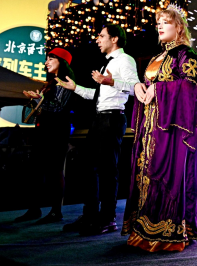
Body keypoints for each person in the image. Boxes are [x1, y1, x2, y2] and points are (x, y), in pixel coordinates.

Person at [120, 3, 197, 252]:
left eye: (166, 22)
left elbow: (189, 88)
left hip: (171, 128)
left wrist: (158, 89)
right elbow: (149, 85)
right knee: (145, 173)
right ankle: (143, 229)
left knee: (165, 174)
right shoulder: (157, 57)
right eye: (159, 23)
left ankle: (167, 231)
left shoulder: (186, 54)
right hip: (150, 126)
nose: (160, 26)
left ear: (179, 27)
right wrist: (139, 86)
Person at [56, 23, 140, 236]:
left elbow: (135, 88)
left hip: (113, 118)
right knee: (88, 166)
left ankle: (108, 218)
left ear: (114, 39)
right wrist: (76, 88)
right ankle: (90, 214)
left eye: (101, 36)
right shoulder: (107, 64)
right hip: (99, 118)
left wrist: (111, 81)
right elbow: (98, 95)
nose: (97, 39)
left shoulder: (125, 60)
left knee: (107, 169)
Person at [15, 47, 75, 224]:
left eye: (51, 58)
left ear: (62, 62)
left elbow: (58, 107)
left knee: (55, 170)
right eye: (47, 58)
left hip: (57, 131)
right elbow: (46, 107)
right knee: (36, 169)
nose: (46, 62)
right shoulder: (50, 83)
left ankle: (56, 211)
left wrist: (38, 101)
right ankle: (34, 209)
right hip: (44, 130)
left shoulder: (64, 81)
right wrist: (37, 100)